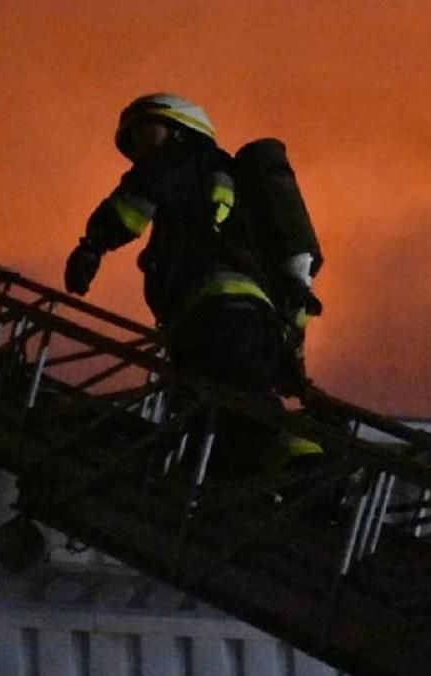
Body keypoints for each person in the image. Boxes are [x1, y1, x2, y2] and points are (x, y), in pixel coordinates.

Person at [63, 93, 323, 477]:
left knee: (234, 403)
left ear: (181, 131)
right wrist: (291, 352)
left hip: (212, 311)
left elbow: (132, 205)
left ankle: (302, 459)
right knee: (216, 406)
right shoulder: (233, 183)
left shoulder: (178, 163)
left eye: (146, 133)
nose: (139, 148)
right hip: (252, 318)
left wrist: (92, 246)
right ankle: (244, 479)